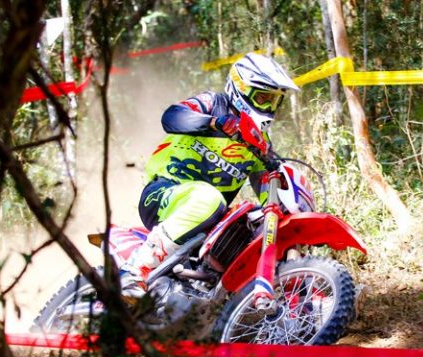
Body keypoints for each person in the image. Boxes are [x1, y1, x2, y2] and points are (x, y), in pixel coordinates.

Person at [120, 52, 299, 297]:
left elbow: (268, 193)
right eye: (263, 98)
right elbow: (171, 117)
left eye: (274, 101)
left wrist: (288, 209)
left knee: (256, 224)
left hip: (208, 224)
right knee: (210, 198)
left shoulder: (259, 143)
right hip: (163, 194)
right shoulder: (213, 103)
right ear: (241, 88)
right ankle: (134, 270)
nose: (269, 107)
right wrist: (214, 123)